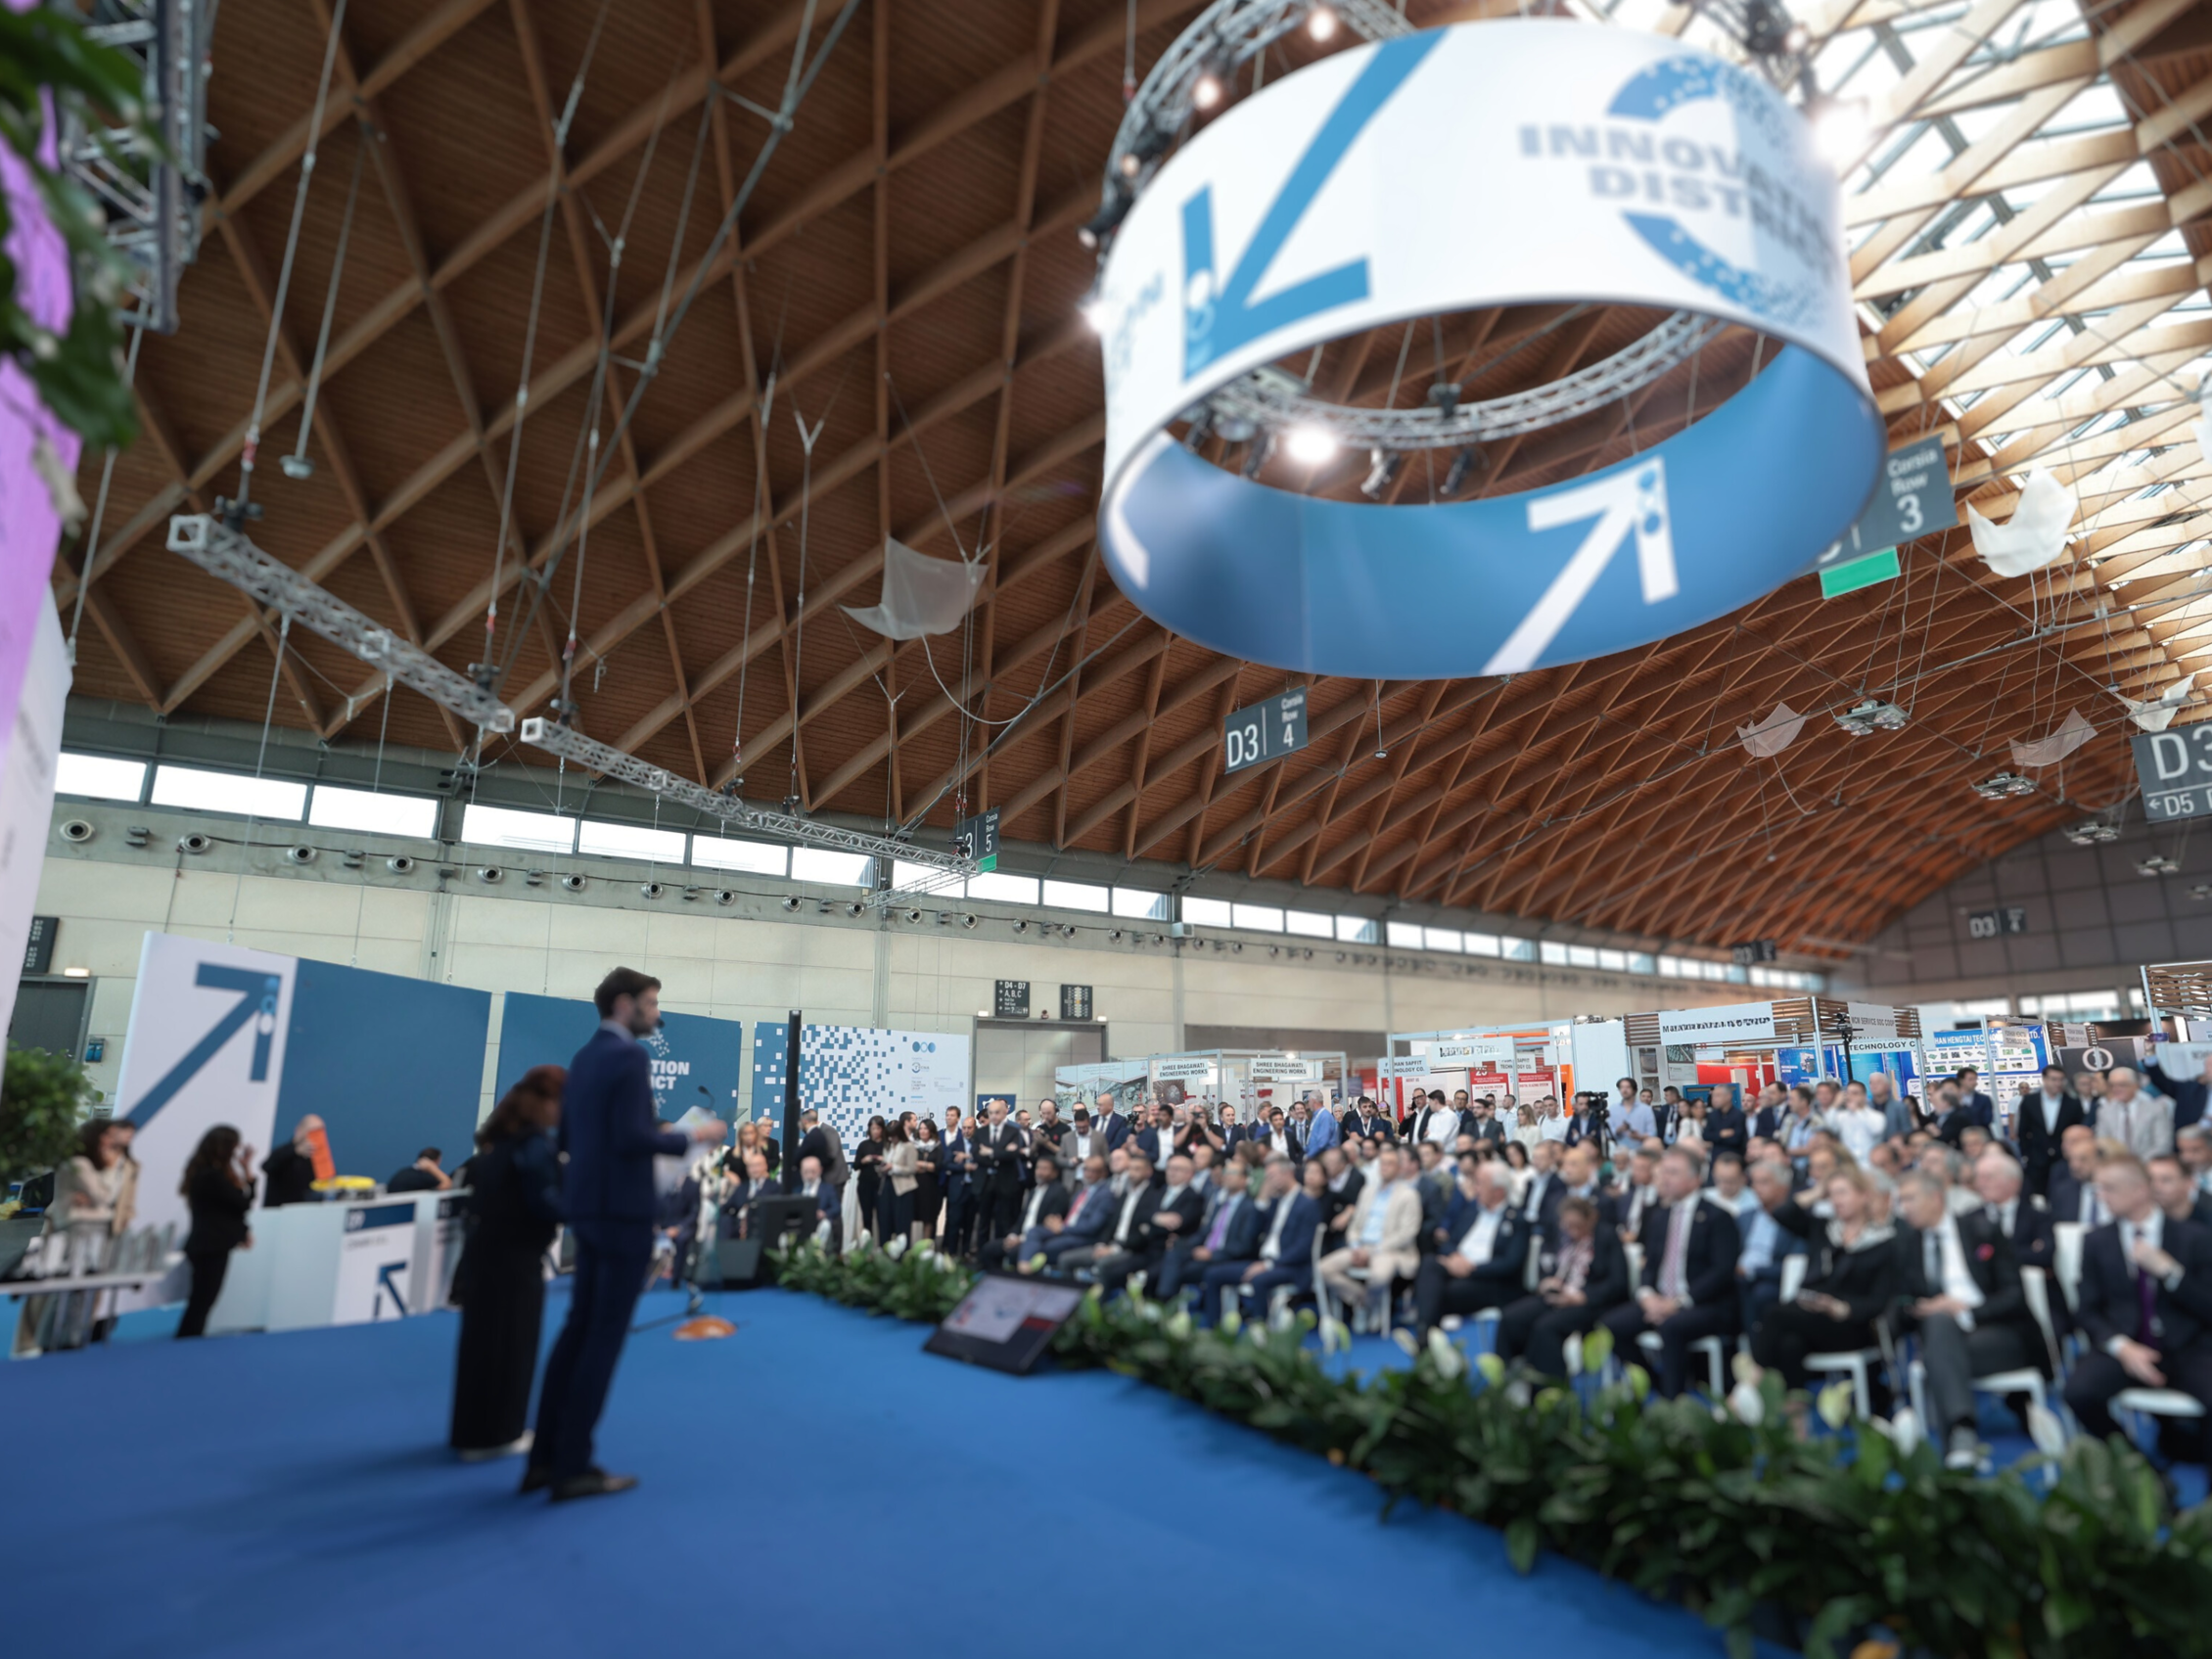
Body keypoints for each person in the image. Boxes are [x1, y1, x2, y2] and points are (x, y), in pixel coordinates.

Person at [525, 968, 722, 1503]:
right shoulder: (630, 1057)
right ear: (623, 1004)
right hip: (622, 1214)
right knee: (603, 1339)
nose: (657, 1014)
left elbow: (569, 1137)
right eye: (651, 1003)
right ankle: (573, 1465)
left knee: (577, 1332)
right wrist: (693, 1137)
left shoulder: (584, 1058)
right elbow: (634, 1137)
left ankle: (544, 1458)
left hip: (588, 1211)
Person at [2061, 1154, 2212, 1461]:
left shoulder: (2194, 1237)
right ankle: (2140, 1471)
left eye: (2109, 1188)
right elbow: (2087, 1310)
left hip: (2187, 1346)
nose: (2101, 1197)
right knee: (2079, 1393)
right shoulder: (2096, 1241)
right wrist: (2122, 1347)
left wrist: (2171, 1274)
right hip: (2127, 1345)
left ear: (2140, 1191)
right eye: (2099, 1189)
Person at [1890, 1169, 2045, 1468]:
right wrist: (1923, 1307)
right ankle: (1962, 1433)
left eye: (1910, 1199)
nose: (1903, 1208)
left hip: (1997, 1333)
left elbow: (2014, 1296)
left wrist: (1964, 1310)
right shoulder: (1907, 1243)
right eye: (1900, 1201)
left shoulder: (1981, 1230)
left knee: (1939, 1353)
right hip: (1943, 1336)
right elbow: (1900, 1301)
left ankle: (1956, 1447)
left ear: (1936, 1198)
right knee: (1939, 1326)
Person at [450, 1066, 565, 1458]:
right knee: (512, 1344)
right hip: (515, 1260)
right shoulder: (534, 1146)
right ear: (546, 1102)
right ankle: (500, 1433)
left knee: (481, 1345)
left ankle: (473, 1432)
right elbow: (545, 1202)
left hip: (487, 1256)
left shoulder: (501, 1143)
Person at [1600, 1147, 1742, 1398]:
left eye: (1673, 1173)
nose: (1665, 1178)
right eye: (1664, 1172)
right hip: (1660, 1299)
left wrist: (1678, 1303)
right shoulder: (1660, 1216)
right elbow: (1650, 1265)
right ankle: (1654, 1384)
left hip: (1704, 1304)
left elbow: (1721, 1272)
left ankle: (1673, 1402)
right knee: (1611, 1325)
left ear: (1695, 1179)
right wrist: (1647, 1295)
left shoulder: (1718, 1217)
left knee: (1671, 1326)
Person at [1749, 1166, 1898, 1392]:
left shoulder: (1883, 1242)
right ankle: (1796, 1410)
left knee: (1774, 1314)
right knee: (1790, 1344)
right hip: (1809, 1315)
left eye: (1843, 1192)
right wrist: (1817, 1192)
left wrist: (1841, 1308)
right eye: (1832, 1194)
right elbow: (1782, 1213)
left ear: (1863, 1196)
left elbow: (1880, 1300)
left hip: (1850, 1323)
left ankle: (1749, 1385)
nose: (1836, 1200)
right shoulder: (1823, 1228)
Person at [1495, 1195, 1630, 1376]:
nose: (1572, 1231)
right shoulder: (1562, 1237)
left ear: (1590, 1220)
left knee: (1545, 1328)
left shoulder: (1606, 1237)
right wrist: (1547, 1281)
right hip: (1560, 1292)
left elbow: (1618, 1283)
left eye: (1577, 1226)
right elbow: (1549, 1264)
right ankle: (1506, 1375)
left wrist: (1583, 1297)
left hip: (1590, 1301)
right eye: (1567, 1225)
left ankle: (1548, 1385)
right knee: (1511, 1317)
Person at [1410, 1163, 1531, 1335]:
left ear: (1498, 1191)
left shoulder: (1517, 1220)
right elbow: (1448, 1242)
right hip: (1456, 1267)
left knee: (1438, 1291)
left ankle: (1425, 1336)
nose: (1476, 1189)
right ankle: (1427, 1333)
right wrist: (1453, 1257)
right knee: (1429, 1263)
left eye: (1481, 1184)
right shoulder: (1472, 1210)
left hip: (1489, 1280)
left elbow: (1510, 1263)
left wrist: (1471, 1268)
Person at [1198, 1155, 1319, 1324]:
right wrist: (1262, 1200)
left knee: (1259, 1280)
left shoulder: (1307, 1204)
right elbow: (1255, 1231)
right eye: (1267, 1177)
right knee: (1213, 1274)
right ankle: (1214, 1329)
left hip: (1291, 1266)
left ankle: (1260, 1330)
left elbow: (1303, 1248)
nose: (1269, 1181)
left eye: (1272, 1176)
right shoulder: (1276, 1202)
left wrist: (1269, 1264)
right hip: (1263, 1261)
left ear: (1288, 1173)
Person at [1317, 1145, 1420, 1321]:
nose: (1384, 1167)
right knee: (1322, 1269)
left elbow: (1407, 1233)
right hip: (1361, 1246)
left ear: (1399, 1168)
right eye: (1382, 1163)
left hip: (1390, 1250)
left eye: (1389, 1164)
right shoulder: (1368, 1191)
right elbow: (1355, 1225)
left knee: (1379, 1276)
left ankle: (1367, 1308)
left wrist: (1372, 1251)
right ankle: (1364, 1301)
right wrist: (1355, 1245)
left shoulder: (1409, 1195)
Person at [175, 1127, 256, 1340]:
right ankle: (186, 1340)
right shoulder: (212, 1176)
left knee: (202, 1301)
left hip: (208, 1245)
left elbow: (234, 1207)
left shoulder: (205, 1174)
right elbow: (241, 1203)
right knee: (202, 1301)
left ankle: (188, 1340)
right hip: (210, 1247)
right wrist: (247, 1174)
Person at [981, 1153, 1069, 1271]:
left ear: (1054, 1173)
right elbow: (1021, 1220)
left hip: (1036, 1241)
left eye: (1045, 1169)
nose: (1040, 1172)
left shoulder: (1059, 1192)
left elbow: (1049, 1225)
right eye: (1038, 1168)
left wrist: (1021, 1239)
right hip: (1019, 1237)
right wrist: (1012, 1236)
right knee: (989, 1249)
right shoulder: (1033, 1191)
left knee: (1013, 1253)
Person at [2097, 1067, 2176, 1163]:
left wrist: (2137, 1163)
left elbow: (2163, 1144)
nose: (2116, 1089)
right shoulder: (2105, 1111)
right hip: (2116, 1165)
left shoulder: (2155, 1109)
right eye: (2112, 1085)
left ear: (2135, 1086)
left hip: (2148, 1165)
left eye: (2122, 1085)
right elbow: (2102, 1143)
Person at [2047, 1126, 2110, 1227]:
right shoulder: (2063, 1193)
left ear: (2099, 1159)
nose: (2075, 1166)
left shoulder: (2117, 1191)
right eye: (2072, 1160)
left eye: (2083, 1159)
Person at [261, 1115, 325, 1207]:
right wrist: (295, 1151)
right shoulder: (283, 1152)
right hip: (279, 1210)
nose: (315, 1137)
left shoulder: (315, 1159)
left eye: (319, 1133)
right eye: (312, 1132)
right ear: (299, 1131)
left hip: (305, 1211)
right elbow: (267, 1166)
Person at [852, 1116, 888, 1241]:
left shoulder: (887, 1145)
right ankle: (867, 1245)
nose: (876, 1131)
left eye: (878, 1128)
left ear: (882, 1129)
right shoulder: (864, 1145)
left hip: (882, 1185)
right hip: (865, 1185)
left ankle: (883, 1245)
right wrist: (864, 1160)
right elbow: (855, 1166)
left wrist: (883, 1160)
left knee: (883, 1217)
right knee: (867, 1217)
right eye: (873, 1128)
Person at [387, 1147, 451, 1194]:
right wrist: (433, 1168)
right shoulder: (426, 1177)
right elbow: (447, 1185)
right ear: (436, 1161)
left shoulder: (403, 1172)